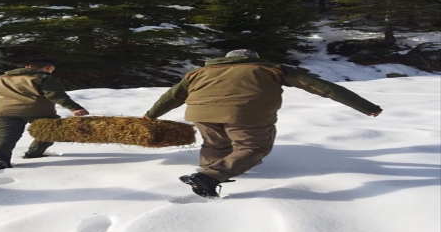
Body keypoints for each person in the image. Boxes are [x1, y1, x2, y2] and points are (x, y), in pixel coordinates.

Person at [143, 49, 382, 198]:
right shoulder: (271, 68)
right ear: (253, 58)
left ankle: (205, 179)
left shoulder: (198, 73)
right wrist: (366, 107)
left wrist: (150, 116)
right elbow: (323, 87)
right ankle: (210, 178)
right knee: (253, 147)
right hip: (247, 114)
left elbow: (172, 96)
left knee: (215, 144)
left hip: (201, 113)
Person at [0, 59, 89, 171]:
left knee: (7, 135)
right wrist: (75, 108)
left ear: (26, 67)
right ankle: (34, 153)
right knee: (52, 130)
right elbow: (55, 95)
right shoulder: (44, 78)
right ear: (49, 68)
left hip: (2, 112)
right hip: (37, 111)